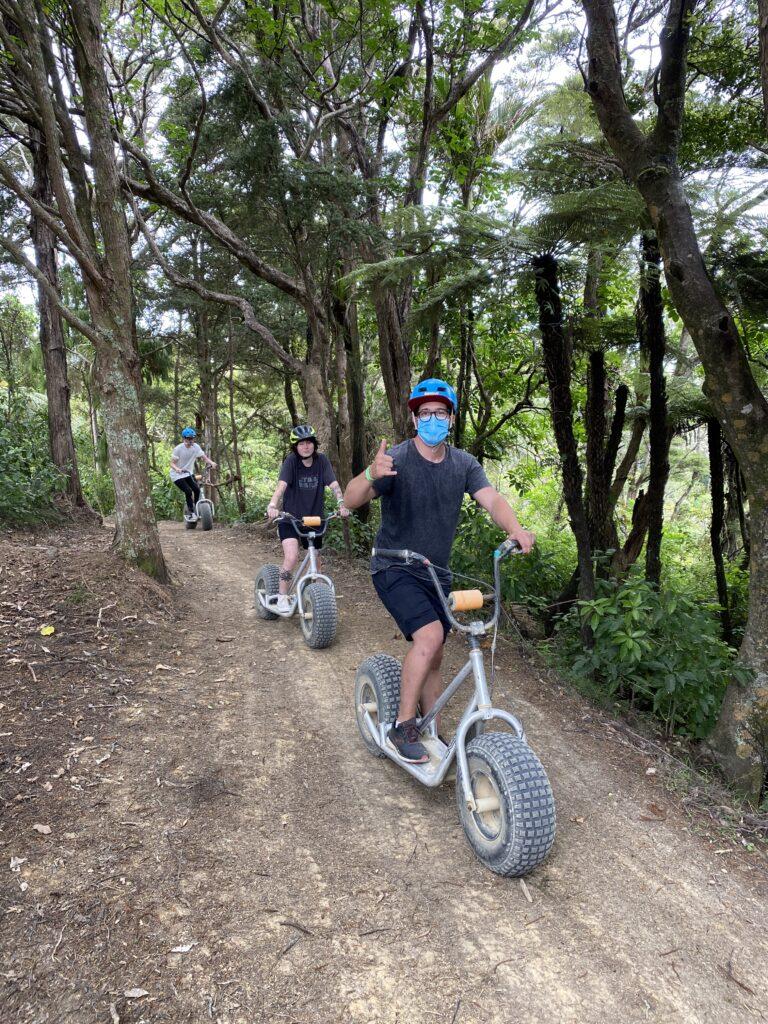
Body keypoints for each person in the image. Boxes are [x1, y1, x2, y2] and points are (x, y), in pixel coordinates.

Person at [343, 378, 535, 764]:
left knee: (435, 651)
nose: (433, 419)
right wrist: (370, 474)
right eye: (425, 413)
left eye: (440, 413)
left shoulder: (463, 464)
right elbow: (350, 499)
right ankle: (402, 725)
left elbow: (492, 499)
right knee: (429, 637)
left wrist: (515, 528)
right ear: (415, 420)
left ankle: (430, 724)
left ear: (451, 419)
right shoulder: (394, 460)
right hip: (394, 565)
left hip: (436, 573)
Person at [266, 424, 350, 612]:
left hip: (314, 519)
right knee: (292, 556)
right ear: (295, 447)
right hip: (290, 519)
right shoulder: (291, 462)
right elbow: (281, 486)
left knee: (315, 560)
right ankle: (281, 596)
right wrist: (272, 505)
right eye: (301, 443)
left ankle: (312, 594)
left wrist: (341, 504)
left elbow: (334, 484)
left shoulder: (322, 461)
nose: (306, 447)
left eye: (309, 443)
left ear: (314, 444)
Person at [169, 427, 217, 521]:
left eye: (192, 438)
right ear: (184, 439)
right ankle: (191, 512)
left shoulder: (196, 447)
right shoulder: (178, 449)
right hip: (177, 475)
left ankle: (195, 508)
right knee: (188, 491)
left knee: (197, 489)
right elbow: (171, 463)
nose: (191, 440)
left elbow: (204, 457)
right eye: (188, 438)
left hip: (188, 473)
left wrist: (211, 463)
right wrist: (177, 469)